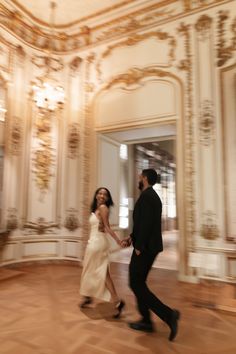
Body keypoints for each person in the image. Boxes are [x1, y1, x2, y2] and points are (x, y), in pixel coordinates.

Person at [126, 168, 180, 341]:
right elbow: (142, 223)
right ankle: (146, 321)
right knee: (138, 283)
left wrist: (139, 246)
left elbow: (147, 225)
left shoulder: (148, 197)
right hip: (147, 246)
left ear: (145, 179)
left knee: (135, 283)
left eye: (140, 176)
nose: (138, 179)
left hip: (146, 248)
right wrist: (131, 238)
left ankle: (168, 315)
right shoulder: (150, 196)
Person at [79, 187, 125, 318]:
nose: (102, 195)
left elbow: (107, 227)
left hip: (98, 243)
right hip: (94, 242)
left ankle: (116, 301)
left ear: (108, 198)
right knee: (94, 270)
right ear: (96, 195)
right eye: (100, 193)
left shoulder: (103, 208)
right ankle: (89, 296)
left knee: (102, 273)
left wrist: (118, 241)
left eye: (105, 194)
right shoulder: (96, 209)